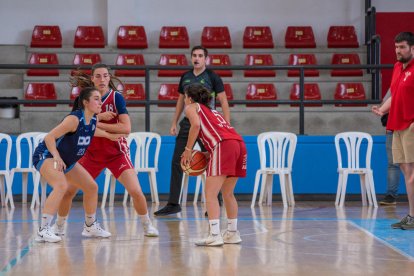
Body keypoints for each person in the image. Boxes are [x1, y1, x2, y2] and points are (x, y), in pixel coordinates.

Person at [51, 63, 159, 237]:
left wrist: (92, 121)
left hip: (116, 153)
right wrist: (99, 120)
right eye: (98, 76)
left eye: (105, 76)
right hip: (90, 153)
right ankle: (60, 227)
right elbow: (73, 123)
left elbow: (126, 129)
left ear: (110, 78)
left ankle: (147, 225)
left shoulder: (116, 98)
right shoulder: (84, 98)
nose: (102, 79)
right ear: (92, 79)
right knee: (69, 190)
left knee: (136, 191)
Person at [33, 87, 117, 242]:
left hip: (67, 161)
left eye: (101, 98)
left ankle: (90, 226)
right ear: (86, 102)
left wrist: (110, 136)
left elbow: (91, 131)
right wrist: (57, 157)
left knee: (91, 187)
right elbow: (49, 137)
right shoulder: (73, 119)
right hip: (46, 155)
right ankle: (43, 229)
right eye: (96, 99)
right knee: (61, 186)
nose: (101, 102)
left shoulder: (91, 119)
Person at [154, 45, 231, 216]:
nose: (196, 58)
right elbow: (180, 100)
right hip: (188, 123)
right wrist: (174, 121)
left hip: (207, 124)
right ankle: (174, 203)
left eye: (200, 56)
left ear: (206, 59)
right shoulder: (186, 76)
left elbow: (223, 101)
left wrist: (226, 124)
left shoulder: (213, 77)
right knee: (177, 161)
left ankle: (214, 203)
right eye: (194, 55)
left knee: (212, 161)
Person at [182, 83, 247, 246]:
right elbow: (221, 134)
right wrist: (207, 153)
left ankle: (214, 235)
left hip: (223, 145)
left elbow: (196, 125)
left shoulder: (191, 107)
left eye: (184, 96)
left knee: (210, 194)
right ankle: (232, 233)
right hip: (239, 145)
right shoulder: (213, 111)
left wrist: (189, 149)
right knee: (228, 194)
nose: (184, 100)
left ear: (189, 97)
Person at [372, 32, 414, 230]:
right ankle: (412, 216)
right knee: (407, 173)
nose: (398, 51)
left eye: (403, 47)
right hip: (396, 125)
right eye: (397, 47)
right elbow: (395, 96)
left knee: (413, 173)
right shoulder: (398, 68)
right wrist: (382, 109)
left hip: (411, 125)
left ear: (412, 48)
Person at [374, 89, 401, 205]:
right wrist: (381, 109)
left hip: (408, 127)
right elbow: (385, 103)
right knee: (393, 163)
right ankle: (391, 195)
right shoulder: (395, 84)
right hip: (392, 127)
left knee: (404, 164)